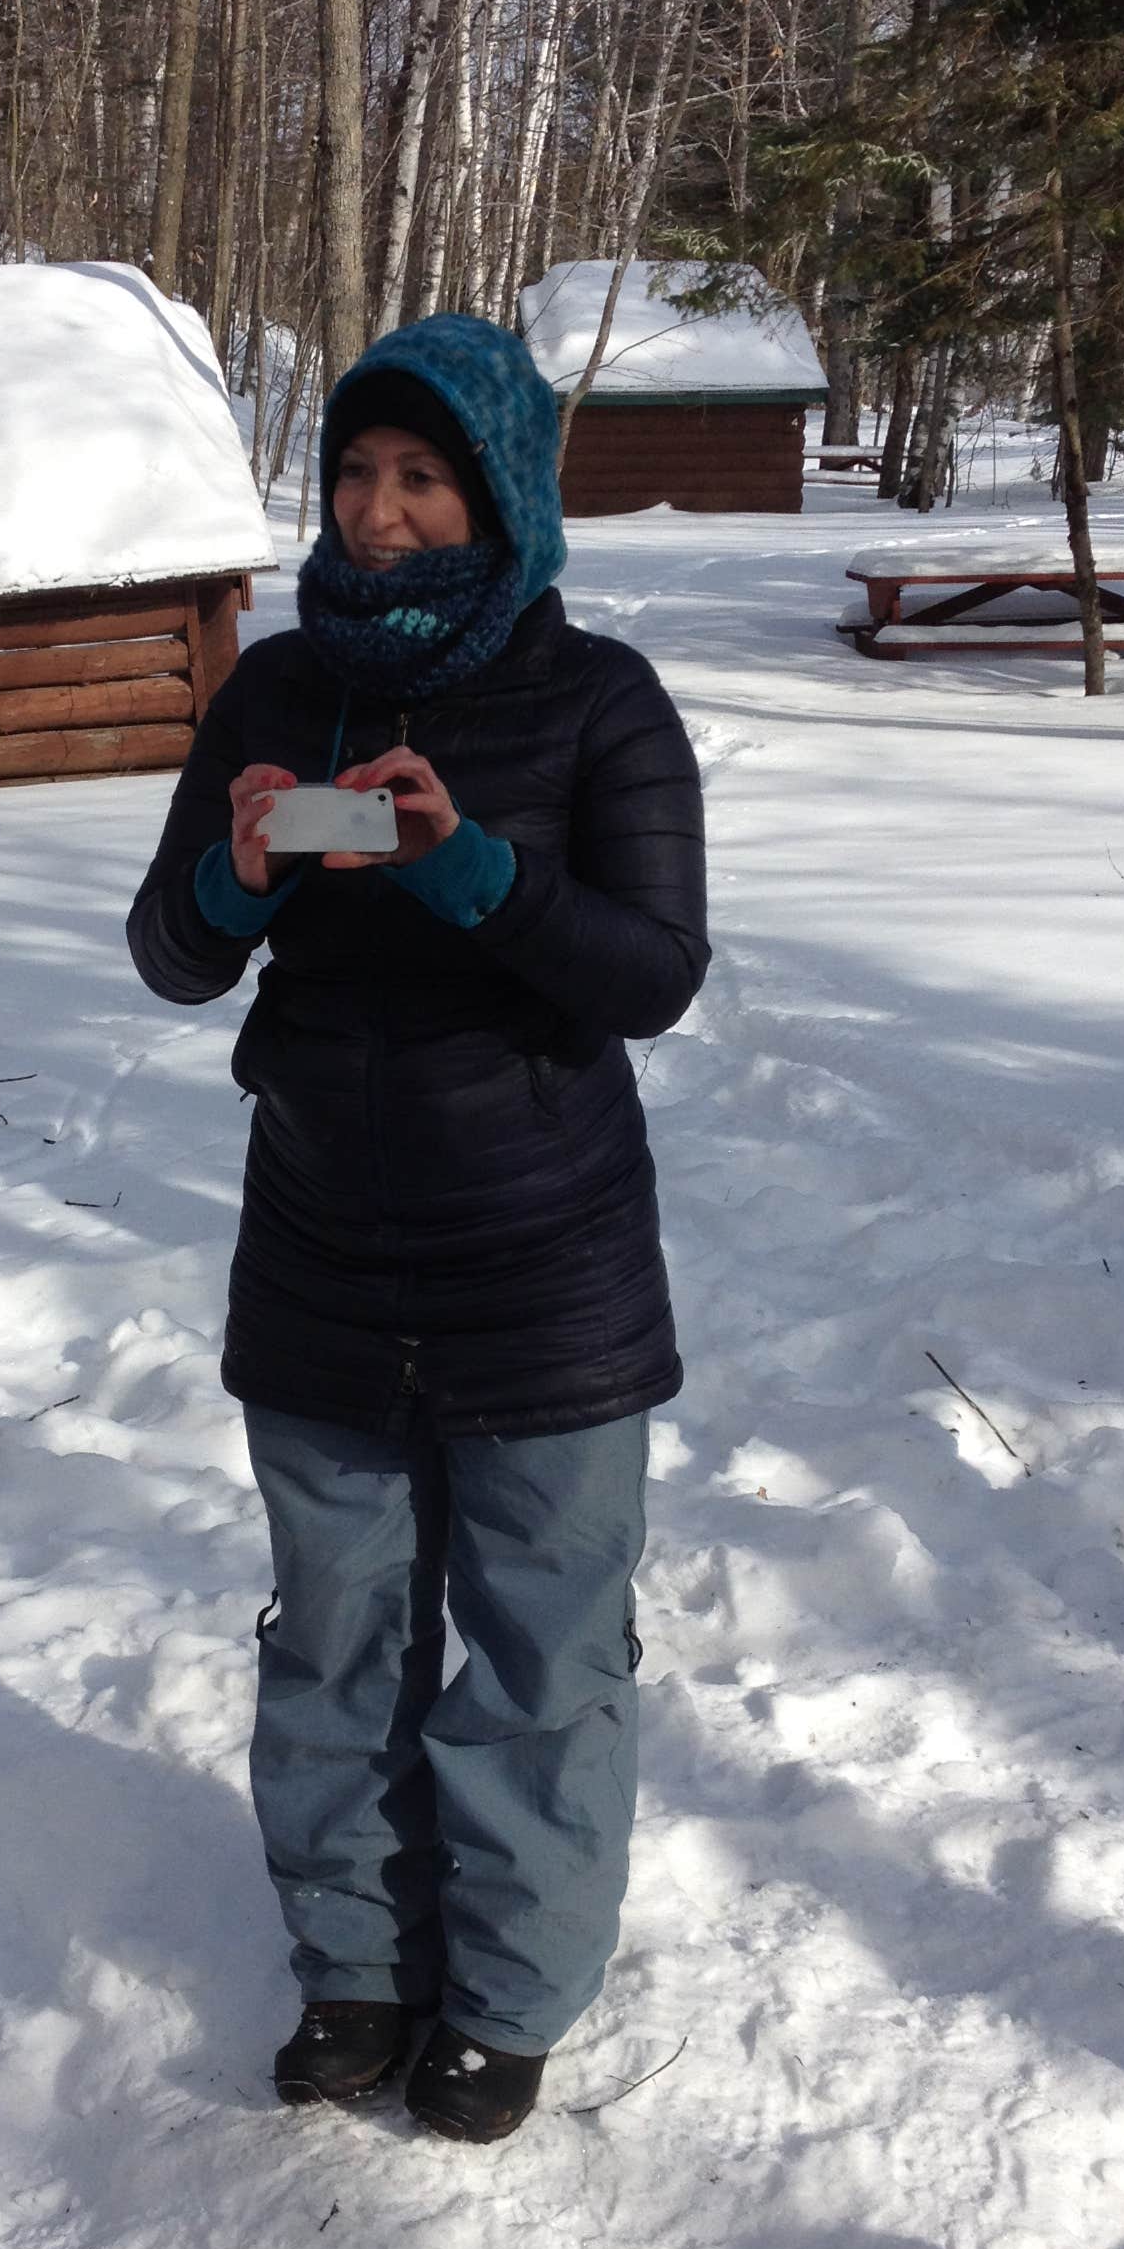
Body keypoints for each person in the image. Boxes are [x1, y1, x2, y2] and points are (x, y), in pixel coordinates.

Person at [127, 313, 708, 2143]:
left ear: (501, 498)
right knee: (334, 1642)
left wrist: (470, 870)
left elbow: (656, 973)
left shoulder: (601, 701)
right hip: (316, 1253)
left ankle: (513, 1987)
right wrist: (241, 873)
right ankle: (359, 1970)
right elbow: (169, 951)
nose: (377, 516)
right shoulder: (273, 696)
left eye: (422, 478)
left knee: (542, 1647)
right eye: (355, 476)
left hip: (545, 1266)